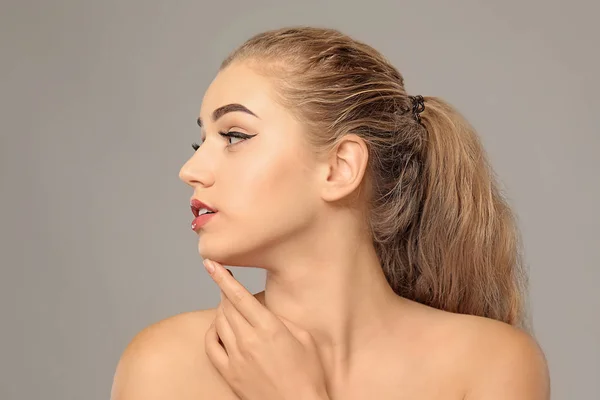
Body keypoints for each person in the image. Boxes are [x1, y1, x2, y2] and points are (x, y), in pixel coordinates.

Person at [110, 26, 550, 399]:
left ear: (340, 168)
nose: (190, 170)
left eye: (235, 136)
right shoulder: (165, 366)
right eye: (200, 142)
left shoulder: (490, 365)